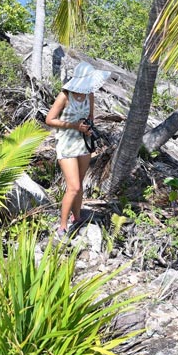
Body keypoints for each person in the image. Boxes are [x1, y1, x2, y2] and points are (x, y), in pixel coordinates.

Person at [45, 61, 111, 236]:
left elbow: (90, 116)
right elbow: (49, 119)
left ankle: (78, 216)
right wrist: (74, 126)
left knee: (79, 184)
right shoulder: (65, 96)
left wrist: (89, 129)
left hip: (83, 142)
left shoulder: (89, 94)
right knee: (73, 186)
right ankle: (63, 226)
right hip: (66, 143)